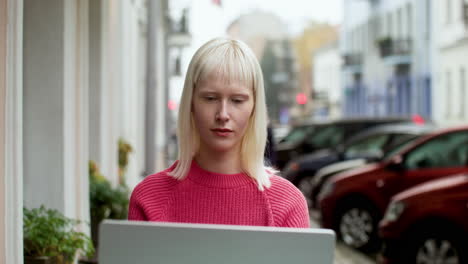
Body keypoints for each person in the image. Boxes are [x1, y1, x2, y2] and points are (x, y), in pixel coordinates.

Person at [128, 37, 309, 228]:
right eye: (210, 98)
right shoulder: (149, 198)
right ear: (191, 103)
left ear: (255, 107)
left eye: (237, 100)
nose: (223, 114)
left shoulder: (287, 204)